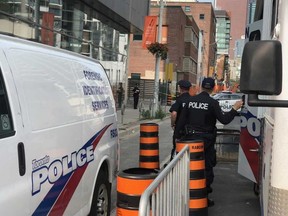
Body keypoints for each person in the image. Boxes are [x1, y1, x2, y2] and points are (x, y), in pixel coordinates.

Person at [177, 77, 243, 207]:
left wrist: (177, 139)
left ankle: (185, 197)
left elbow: (181, 121)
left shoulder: (190, 101)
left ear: (201, 86)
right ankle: (203, 198)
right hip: (205, 143)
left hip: (189, 140)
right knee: (205, 169)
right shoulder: (213, 103)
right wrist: (235, 108)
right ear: (213, 88)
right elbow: (224, 120)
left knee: (187, 169)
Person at [169, 79, 192, 161]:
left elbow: (174, 113)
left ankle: (173, 168)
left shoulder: (179, 100)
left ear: (180, 89)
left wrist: (173, 124)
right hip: (190, 130)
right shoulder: (192, 100)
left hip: (179, 130)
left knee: (177, 148)